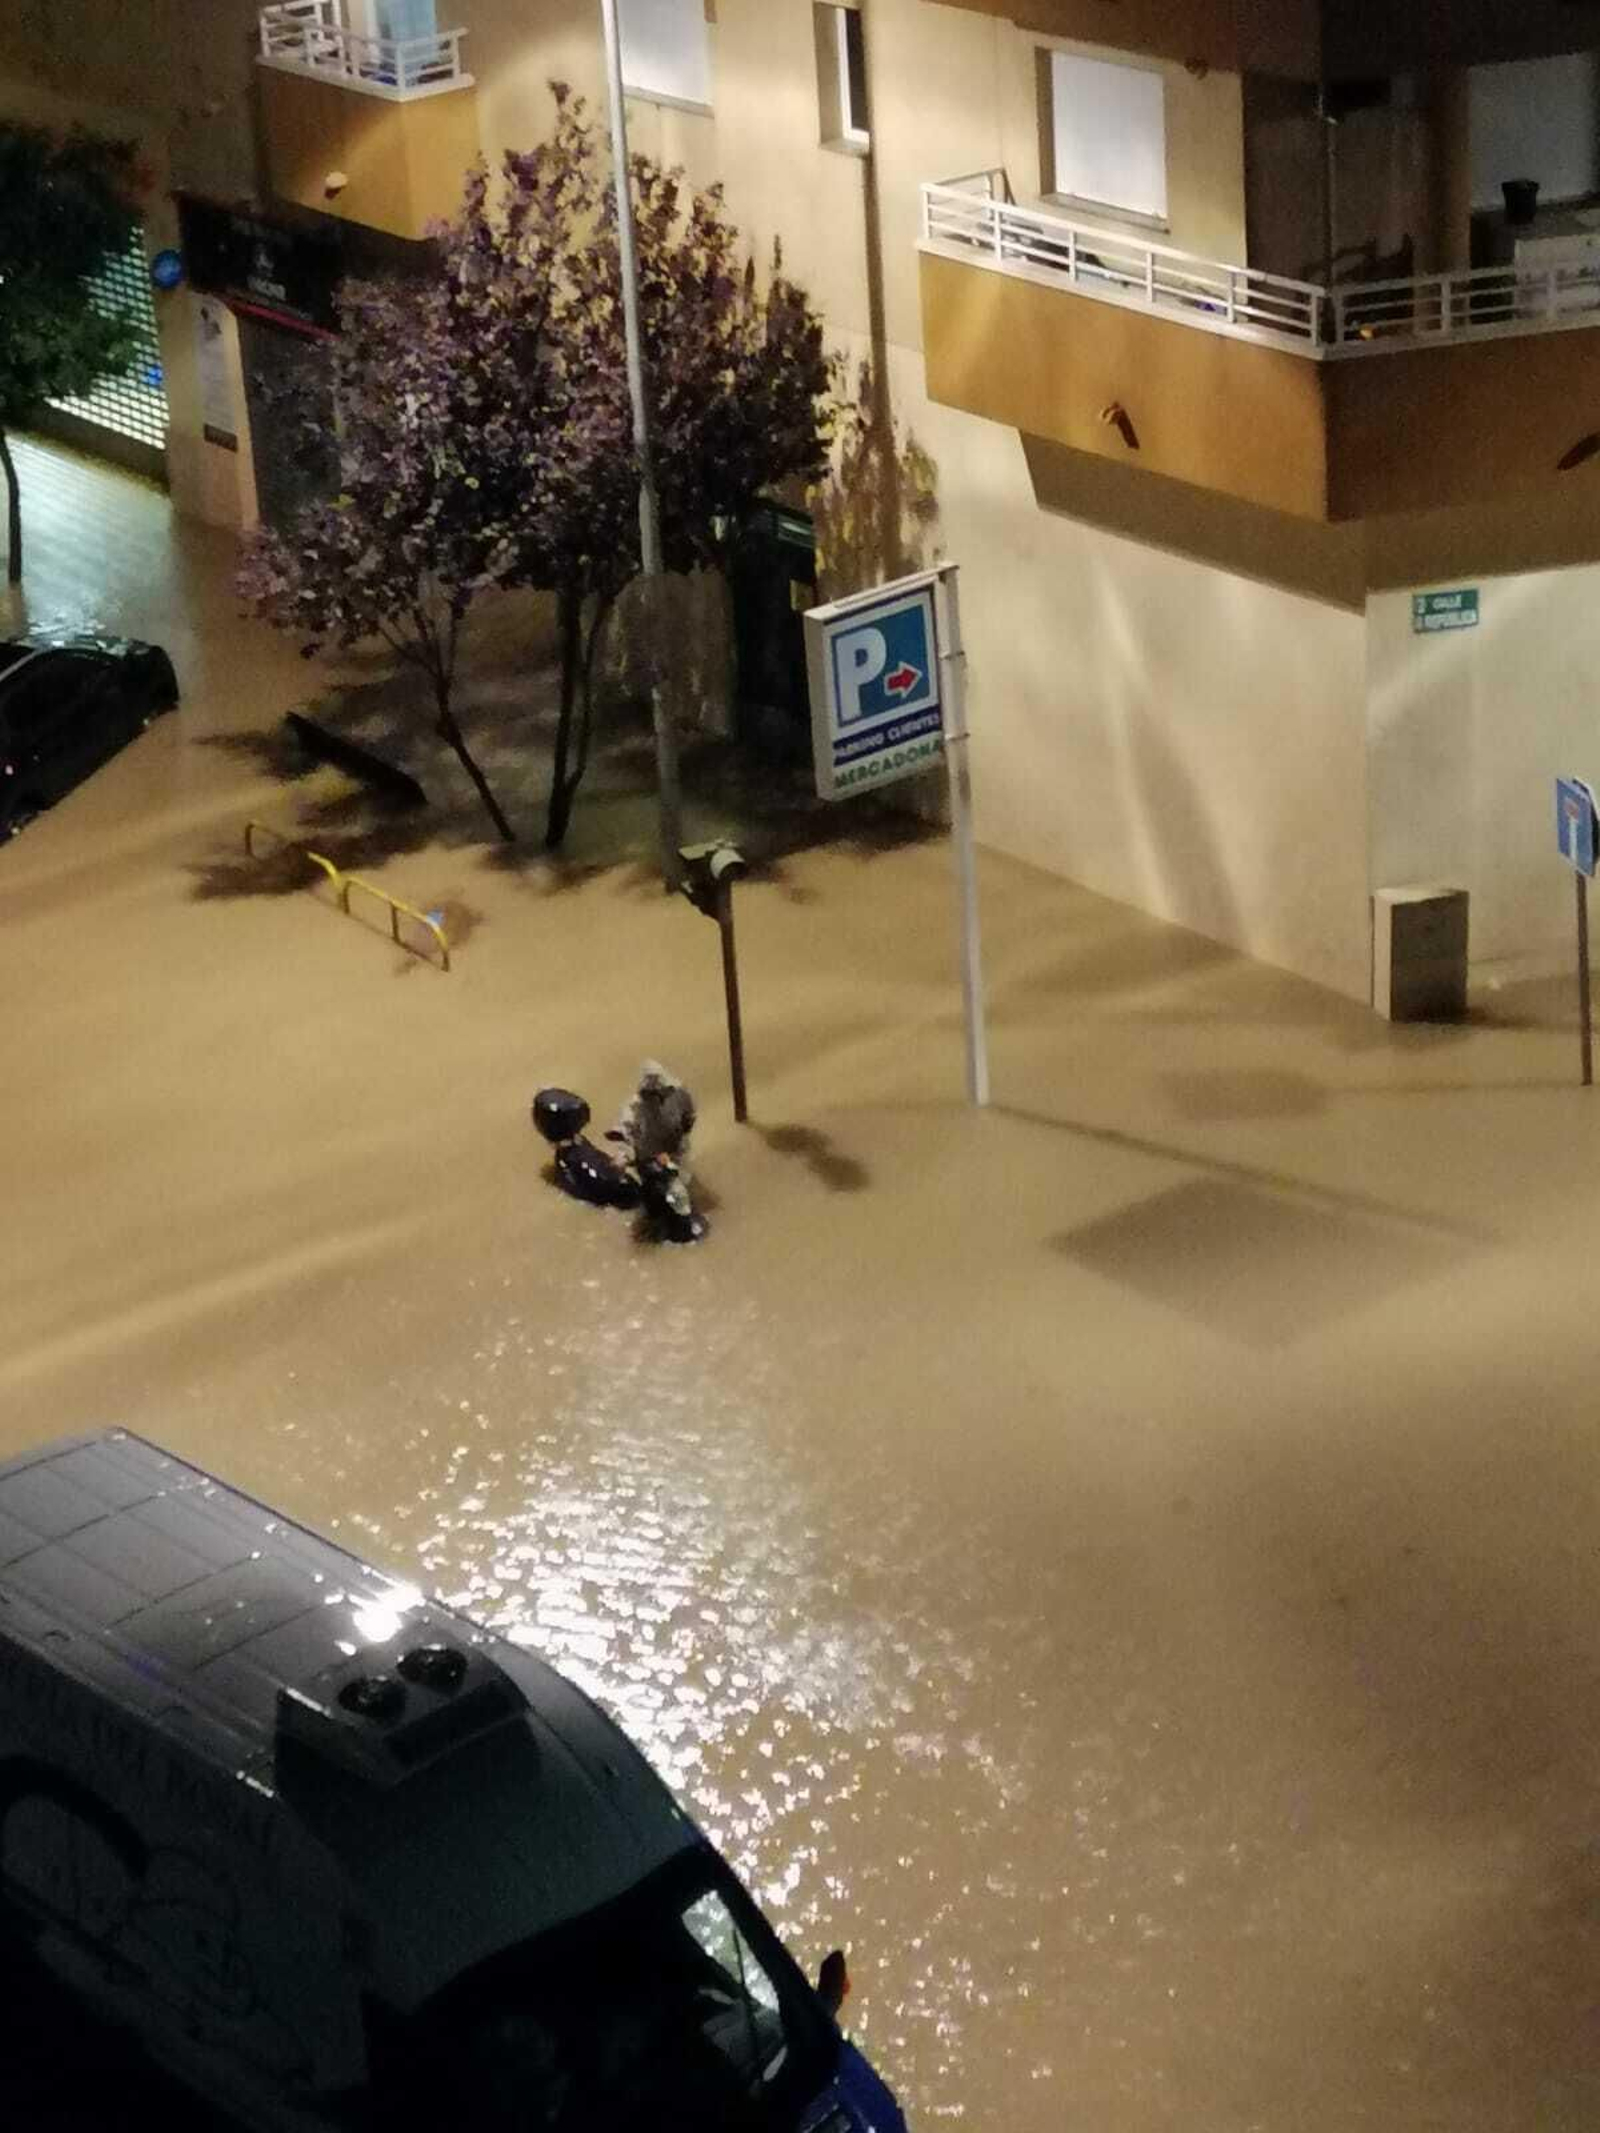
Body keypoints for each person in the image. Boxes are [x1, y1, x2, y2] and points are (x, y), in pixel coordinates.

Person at [614, 1061, 696, 1173]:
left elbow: (689, 1117)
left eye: (660, 1093)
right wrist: (623, 1156)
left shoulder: (679, 1096)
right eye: (651, 1094)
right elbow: (624, 1133)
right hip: (648, 1160)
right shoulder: (633, 1109)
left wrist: (678, 1143)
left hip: (675, 1154)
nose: (656, 1098)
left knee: (683, 1178)